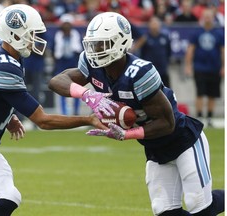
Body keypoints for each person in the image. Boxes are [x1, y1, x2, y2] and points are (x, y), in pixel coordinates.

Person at [0, 4, 114, 216]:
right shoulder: (3, 66)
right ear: (14, 34)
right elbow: (43, 121)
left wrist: (9, 115)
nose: (34, 39)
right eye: (30, 34)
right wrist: (88, 119)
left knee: (9, 197)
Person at [49, 12, 224, 216]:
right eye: (93, 44)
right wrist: (87, 94)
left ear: (120, 42)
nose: (95, 50)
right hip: (155, 148)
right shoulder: (91, 64)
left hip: (184, 140)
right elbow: (56, 81)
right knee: (164, 211)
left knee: (200, 206)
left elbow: (167, 123)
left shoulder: (140, 72)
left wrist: (127, 134)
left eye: (102, 44)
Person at [185, 8, 224, 127]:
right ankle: (200, 116)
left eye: (209, 16)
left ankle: (210, 117)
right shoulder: (197, 33)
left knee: (212, 94)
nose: (207, 18)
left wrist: (223, 66)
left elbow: (223, 51)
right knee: (200, 93)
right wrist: (188, 65)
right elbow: (190, 50)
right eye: (205, 16)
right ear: (202, 17)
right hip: (199, 67)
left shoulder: (219, 33)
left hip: (214, 68)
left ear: (213, 17)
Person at [52, 14, 83, 115]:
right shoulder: (58, 35)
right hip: (61, 64)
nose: (66, 27)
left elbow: (78, 50)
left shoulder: (75, 34)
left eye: (68, 24)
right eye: (64, 24)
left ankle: (76, 112)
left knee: (77, 89)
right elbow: (54, 52)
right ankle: (64, 113)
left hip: (73, 64)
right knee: (61, 89)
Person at [132, 16, 172, 88]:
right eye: (153, 23)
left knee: (167, 91)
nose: (154, 26)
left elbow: (168, 52)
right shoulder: (145, 38)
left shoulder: (165, 37)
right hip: (150, 72)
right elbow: (139, 52)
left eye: (156, 23)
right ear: (149, 25)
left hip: (163, 70)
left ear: (160, 25)